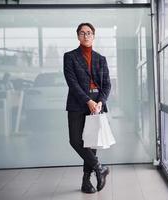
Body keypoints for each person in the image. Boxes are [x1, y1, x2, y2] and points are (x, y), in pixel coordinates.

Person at [63, 23, 111, 193]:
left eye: (89, 33)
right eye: (82, 33)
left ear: (93, 36)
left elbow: (107, 85)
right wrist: (87, 101)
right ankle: (100, 168)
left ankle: (86, 181)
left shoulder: (101, 59)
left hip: (97, 104)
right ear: (78, 36)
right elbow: (72, 83)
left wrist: (100, 101)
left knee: (91, 143)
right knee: (76, 141)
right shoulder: (69, 57)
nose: (86, 35)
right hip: (77, 103)